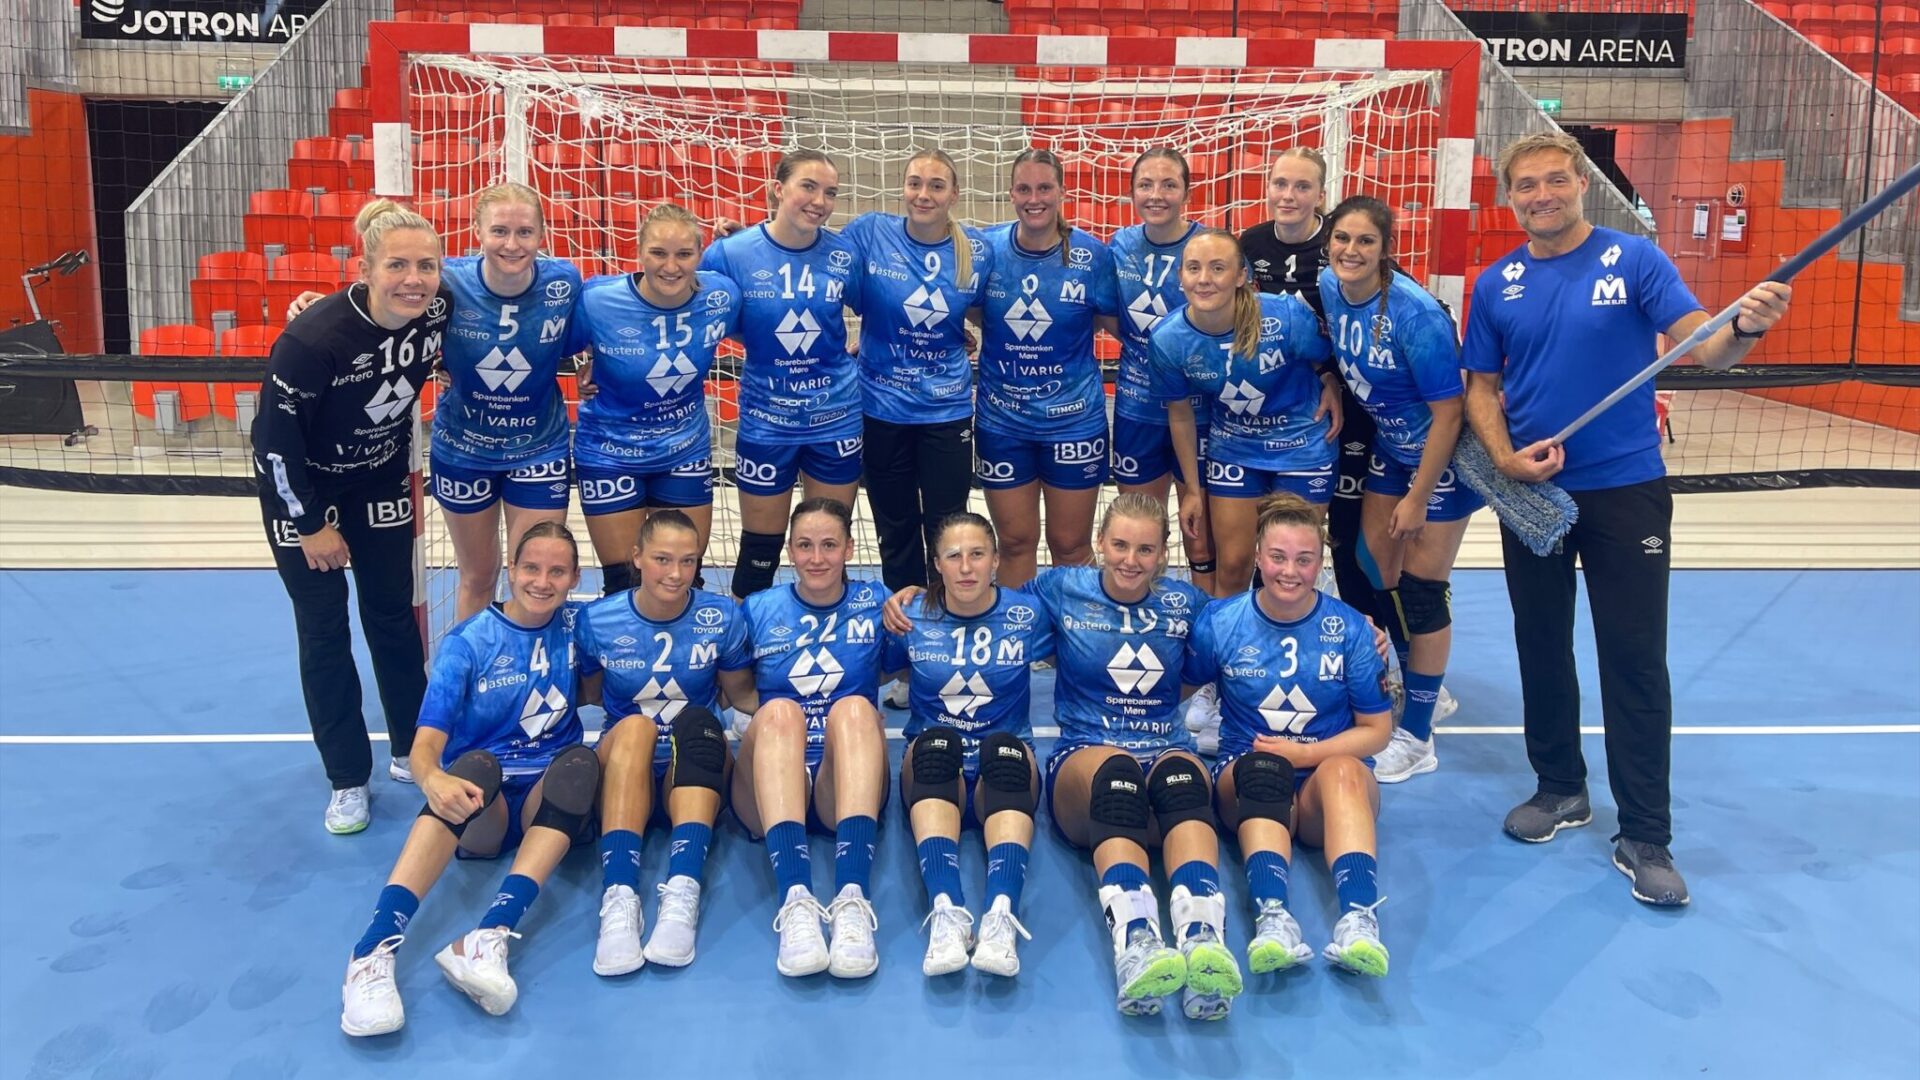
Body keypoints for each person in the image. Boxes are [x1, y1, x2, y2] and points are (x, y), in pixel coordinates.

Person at [1462, 132, 1791, 906]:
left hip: (1625, 489)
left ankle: (1645, 833)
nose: (1541, 196)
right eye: (1526, 186)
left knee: (1634, 659)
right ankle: (1560, 788)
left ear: (1582, 183)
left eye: (1555, 180)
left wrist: (1746, 325)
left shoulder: (1634, 260)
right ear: (1510, 198)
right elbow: (1481, 387)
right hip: (1534, 493)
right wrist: (1505, 459)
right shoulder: (1497, 283)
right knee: (1541, 642)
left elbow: (1707, 350)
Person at [338, 522, 599, 1035]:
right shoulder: (470, 641)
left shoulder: (579, 626)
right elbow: (424, 748)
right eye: (531, 568)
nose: (542, 581)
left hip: (547, 803)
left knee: (580, 762)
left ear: (574, 579)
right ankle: (371, 952)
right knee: (475, 764)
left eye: (557, 571)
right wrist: (432, 779)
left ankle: (487, 937)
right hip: (485, 807)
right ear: (511, 570)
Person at [285, 184, 581, 626]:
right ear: (477, 231)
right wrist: (317, 306)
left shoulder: (564, 281)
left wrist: (589, 364)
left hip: (539, 448)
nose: (512, 244)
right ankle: (469, 666)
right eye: (499, 231)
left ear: (542, 234)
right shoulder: (448, 283)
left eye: (524, 232)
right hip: (464, 450)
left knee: (536, 575)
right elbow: (382, 299)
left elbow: (593, 330)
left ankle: (534, 665)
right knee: (478, 577)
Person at [253, 198, 452, 835]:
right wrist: (310, 524)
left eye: (426, 266)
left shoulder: (438, 310)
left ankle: (411, 750)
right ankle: (346, 778)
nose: (414, 279)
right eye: (397, 265)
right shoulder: (312, 340)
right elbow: (273, 445)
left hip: (379, 483)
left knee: (393, 617)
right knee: (324, 630)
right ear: (364, 270)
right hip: (305, 493)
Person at [1035, 493, 1242, 1021]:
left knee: (1182, 775)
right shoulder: (1062, 588)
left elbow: (1251, 625)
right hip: (1087, 760)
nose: (1131, 560)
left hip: (1165, 753)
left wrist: (1363, 631)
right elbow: (988, 610)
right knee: (1118, 772)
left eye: (1145, 550)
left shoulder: (1186, 603)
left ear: (1163, 554)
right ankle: (1136, 943)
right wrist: (918, 599)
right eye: (1120, 545)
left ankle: (1203, 941)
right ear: (1099, 544)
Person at [1185, 493, 1394, 979]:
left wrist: (1306, 754)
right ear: (1258, 556)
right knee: (1264, 770)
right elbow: (1169, 689)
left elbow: (1377, 732)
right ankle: (1273, 919)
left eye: (1304, 559)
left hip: (1326, 789)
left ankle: (1360, 921)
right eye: (1278, 557)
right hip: (1248, 780)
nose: (1290, 571)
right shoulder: (1221, 622)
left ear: (1321, 562)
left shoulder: (1349, 629)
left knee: (1343, 770)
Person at [1317, 195, 1483, 783]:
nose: (1351, 250)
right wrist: (1329, 379)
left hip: (1442, 458)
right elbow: (1333, 351)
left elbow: (1450, 413)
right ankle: (1417, 679)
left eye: (1365, 241)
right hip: (1391, 445)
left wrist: (1418, 496)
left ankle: (1418, 734)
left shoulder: (1415, 315)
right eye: (1342, 239)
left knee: (1422, 590)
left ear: (1386, 249)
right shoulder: (1330, 286)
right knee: (1374, 561)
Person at [577, 510, 757, 974]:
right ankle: (620, 898)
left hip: (695, 767)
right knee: (634, 727)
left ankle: (682, 891)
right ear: (636, 557)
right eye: (662, 559)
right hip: (626, 767)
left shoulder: (722, 616)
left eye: (687, 560)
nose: (676, 573)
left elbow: (740, 695)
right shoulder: (597, 620)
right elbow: (589, 694)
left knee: (699, 722)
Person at [877, 512, 1054, 977]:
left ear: (996, 560)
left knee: (1004, 750)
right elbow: (870, 670)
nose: (966, 567)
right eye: (953, 556)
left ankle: (1000, 916)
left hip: (1004, 761)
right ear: (936, 564)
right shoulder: (910, 615)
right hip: (934, 767)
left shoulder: (1028, 615)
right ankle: (947, 910)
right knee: (937, 744)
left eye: (977, 554)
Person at [731, 498, 893, 978]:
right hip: (772, 780)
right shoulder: (758, 609)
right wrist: (782, 729)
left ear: (850, 548)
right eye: (804, 546)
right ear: (789, 551)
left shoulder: (877, 602)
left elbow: (902, 666)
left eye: (828, 545)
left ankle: (851, 900)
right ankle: (796, 900)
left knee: (857, 707)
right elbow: (738, 693)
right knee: (780, 711)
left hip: (842, 780)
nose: (816, 558)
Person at [700, 150, 868, 599]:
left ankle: (833, 632)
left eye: (830, 192)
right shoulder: (730, 253)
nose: (819, 201)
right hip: (766, 420)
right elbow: (694, 315)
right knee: (760, 549)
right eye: (808, 187)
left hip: (835, 417)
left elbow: (883, 309)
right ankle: (744, 638)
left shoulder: (843, 254)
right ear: (778, 189)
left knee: (829, 545)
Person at [1152, 228, 1341, 596]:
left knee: (1289, 566)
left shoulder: (1284, 316)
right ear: (1180, 277)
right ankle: (1231, 635)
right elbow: (1180, 414)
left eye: (1217, 268)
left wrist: (1329, 379)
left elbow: (1323, 358)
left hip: (1302, 444)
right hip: (1235, 447)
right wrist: (1192, 490)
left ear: (1241, 276)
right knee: (1234, 566)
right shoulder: (1168, 339)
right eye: (1194, 268)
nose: (1204, 279)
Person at [842, 149, 995, 595]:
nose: (923, 194)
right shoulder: (871, 232)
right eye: (915, 183)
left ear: (954, 195)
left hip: (945, 412)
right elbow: (815, 262)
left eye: (936, 186)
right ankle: (904, 616)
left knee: (948, 527)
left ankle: (946, 610)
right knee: (895, 527)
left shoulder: (978, 251)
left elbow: (981, 311)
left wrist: (960, 331)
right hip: (881, 409)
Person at [569, 204, 742, 595]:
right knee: (623, 585)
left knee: (682, 580)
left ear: (700, 255)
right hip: (610, 452)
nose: (671, 266)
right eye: (659, 253)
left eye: (684, 254)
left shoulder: (722, 295)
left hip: (683, 450)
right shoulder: (598, 300)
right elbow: (547, 347)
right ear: (639, 251)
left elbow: (765, 324)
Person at [972, 147, 1120, 587]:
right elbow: (965, 308)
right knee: (1014, 543)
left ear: (1062, 192)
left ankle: (1074, 630)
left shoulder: (1092, 257)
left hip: (1073, 423)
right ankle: (1018, 628)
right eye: (1023, 189)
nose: (1033, 199)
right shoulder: (986, 249)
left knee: (1070, 545)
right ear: (1010, 193)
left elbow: (1119, 327)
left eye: (1044, 188)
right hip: (1003, 422)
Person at [1109, 147, 1214, 595]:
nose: (1157, 194)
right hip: (1138, 412)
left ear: (1187, 192)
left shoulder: (1210, 247)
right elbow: (1106, 316)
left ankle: (1206, 623)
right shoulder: (1119, 246)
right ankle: (1143, 619)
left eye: (1169, 185)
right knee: (1140, 533)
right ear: (1132, 192)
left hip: (1203, 413)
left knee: (1201, 534)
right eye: (1146, 185)